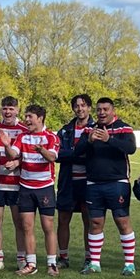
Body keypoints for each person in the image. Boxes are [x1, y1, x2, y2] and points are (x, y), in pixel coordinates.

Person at [73, 97, 137, 275]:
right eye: (99, 109)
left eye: (105, 109)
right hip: (93, 183)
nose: (101, 113)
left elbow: (131, 148)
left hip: (117, 182)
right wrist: (89, 141)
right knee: (95, 222)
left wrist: (109, 139)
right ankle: (94, 263)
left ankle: (129, 264)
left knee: (122, 221)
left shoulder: (124, 128)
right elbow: (76, 152)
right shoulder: (90, 130)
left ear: (112, 111)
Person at [0, 104, 60, 277]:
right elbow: (13, 155)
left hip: (44, 188)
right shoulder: (22, 136)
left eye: (29, 117)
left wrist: (41, 149)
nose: (26, 120)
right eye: (25, 116)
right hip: (26, 187)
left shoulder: (51, 137)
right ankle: (31, 263)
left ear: (40, 118)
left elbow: (52, 158)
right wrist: (6, 145)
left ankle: (52, 263)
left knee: (48, 226)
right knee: (27, 227)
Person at [0, 97, 28, 272]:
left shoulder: (24, 130)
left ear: (17, 110)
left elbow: (30, 155)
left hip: (17, 184)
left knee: (19, 223)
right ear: (0, 110)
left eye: (11, 108)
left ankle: (21, 258)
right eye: (4, 108)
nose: (8, 112)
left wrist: (17, 163)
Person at [55, 94, 94, 270]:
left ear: (89, 108)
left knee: (89, 220)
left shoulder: (96, 128)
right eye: (77, 106)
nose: (80, 109)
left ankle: (89, 257)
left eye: (83, 105)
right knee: (63, 219)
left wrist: (72, 154)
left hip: (88, 181)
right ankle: (63, 257)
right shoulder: (65, 130)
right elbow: (58, 155)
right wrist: (79, 153)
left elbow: (95, 155)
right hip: (67, 182)